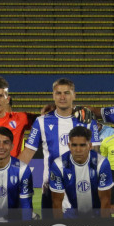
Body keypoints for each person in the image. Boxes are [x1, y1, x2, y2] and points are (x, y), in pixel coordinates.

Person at [18, 78, 101, 210]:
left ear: (74, 95)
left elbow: (96, 155)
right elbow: (28, 152)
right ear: (53, 95)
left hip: (81, 188)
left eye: (67, 93)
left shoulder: (88, 121)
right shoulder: (41, 121)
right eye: (58, 93)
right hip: (51, 190)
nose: (62, 97)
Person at [49, 126, 113, 218]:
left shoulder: (101, 163)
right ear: (69, 146)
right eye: (74, 145)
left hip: (96, 215)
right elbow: (57, 202)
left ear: (90, 146)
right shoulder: (59, 165)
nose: (78, 150)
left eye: (82, 145)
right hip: (70, 215)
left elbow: (105, 201)